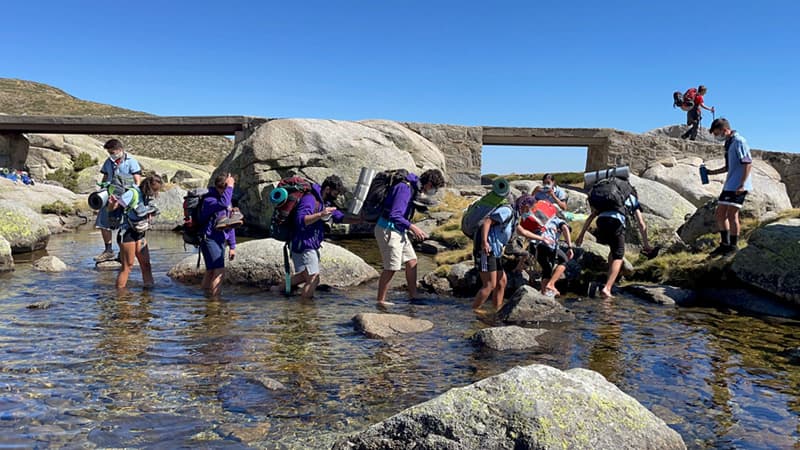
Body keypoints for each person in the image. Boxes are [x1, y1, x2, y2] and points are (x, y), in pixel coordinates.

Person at [375, 168, 445, 305]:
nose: (433, 192)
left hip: (399, 230)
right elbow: (395, 215)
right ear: (429, 185)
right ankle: (380, 301)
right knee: (392, 267)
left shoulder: (413, 187)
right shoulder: (404, 188)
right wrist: (413, 228)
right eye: (435, 189)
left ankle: (413, 295)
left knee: (412, 260)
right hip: (388, 229)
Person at [575, 180, 655, 299]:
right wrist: (646, 245)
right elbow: (641, 224)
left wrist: (581, 236)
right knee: (619, 255)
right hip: (615, 222)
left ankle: (609, 283)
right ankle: (607, 289)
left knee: (613, 251)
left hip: (601, 222)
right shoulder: (631, 198)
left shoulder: (608, 199)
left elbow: (591, 217)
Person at [289, 175, 354, 299]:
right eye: (336, 192)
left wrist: (360, 220)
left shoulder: (326, 202)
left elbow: (339, 217)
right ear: (328, 189)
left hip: (311, 244)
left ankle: (277, 289)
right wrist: (321, 214)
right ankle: (304, 309)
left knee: (304, 276)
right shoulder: (309, 199)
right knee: (314, 278)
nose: (337, 196)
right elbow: (301, 220)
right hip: (303, 244)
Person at [705, 118, 753, 256]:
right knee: (720, 213)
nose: (716, 136)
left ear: (724, 130)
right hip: (729, 184)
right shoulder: (729, 143)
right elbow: (728, 167)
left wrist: (742, 184)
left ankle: (733, 247)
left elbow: (747, 163)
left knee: (732, 215)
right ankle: (724, 244)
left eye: (716, 133)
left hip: (738, 185)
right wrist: (710, 172)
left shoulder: (739, 141)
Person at [109, 175, 164, 289]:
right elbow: (114, 208)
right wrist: (112, 203)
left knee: (146, 264)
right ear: (148, 187)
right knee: (128, 266)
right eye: (154, 191)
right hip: (127, 233)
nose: (155, 194)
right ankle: (120, 296)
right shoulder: (132, 193)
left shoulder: (146, 197)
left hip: (140, 232)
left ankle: (149, 294)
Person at [94, 139, 142, 263]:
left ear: (120, 150)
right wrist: (102, 190)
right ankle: (108, 251)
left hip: (125, 199)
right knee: (103, 223)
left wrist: (133, 197)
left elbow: (137, 181)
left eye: (112, 152)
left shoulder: (131, 162)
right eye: (109, 152)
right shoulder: (108, 162)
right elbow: (105, 177)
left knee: (124, 225)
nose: (111, 154)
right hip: (109, 197)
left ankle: (123, 253)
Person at [199, 173, 237, 298]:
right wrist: (230, 186)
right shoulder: (210, 200)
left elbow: (229, 224)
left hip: (219, 239)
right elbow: (223, 204)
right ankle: (215, 301)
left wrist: (232, 246)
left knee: (210, 271)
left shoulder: (226, 201)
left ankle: (204, 296)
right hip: (209, 238)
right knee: (219, 271)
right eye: (226, 188)